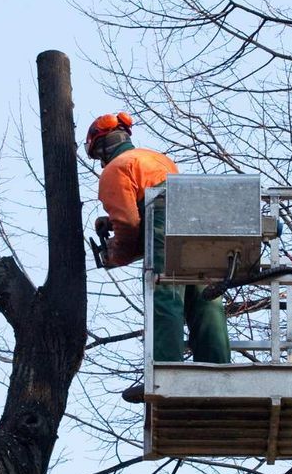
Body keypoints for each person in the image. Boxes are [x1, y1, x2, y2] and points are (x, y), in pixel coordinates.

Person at [85, 112, 231, 377]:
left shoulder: (114, 169)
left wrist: (115, 255)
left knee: (166, 292)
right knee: (205, 295)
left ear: (102, 147)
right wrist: (113, 224)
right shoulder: (155, 158)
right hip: (199, 213)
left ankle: (167, 369)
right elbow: (145, 214)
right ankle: (218, 369)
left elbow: (129, 224)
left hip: (166, 213)